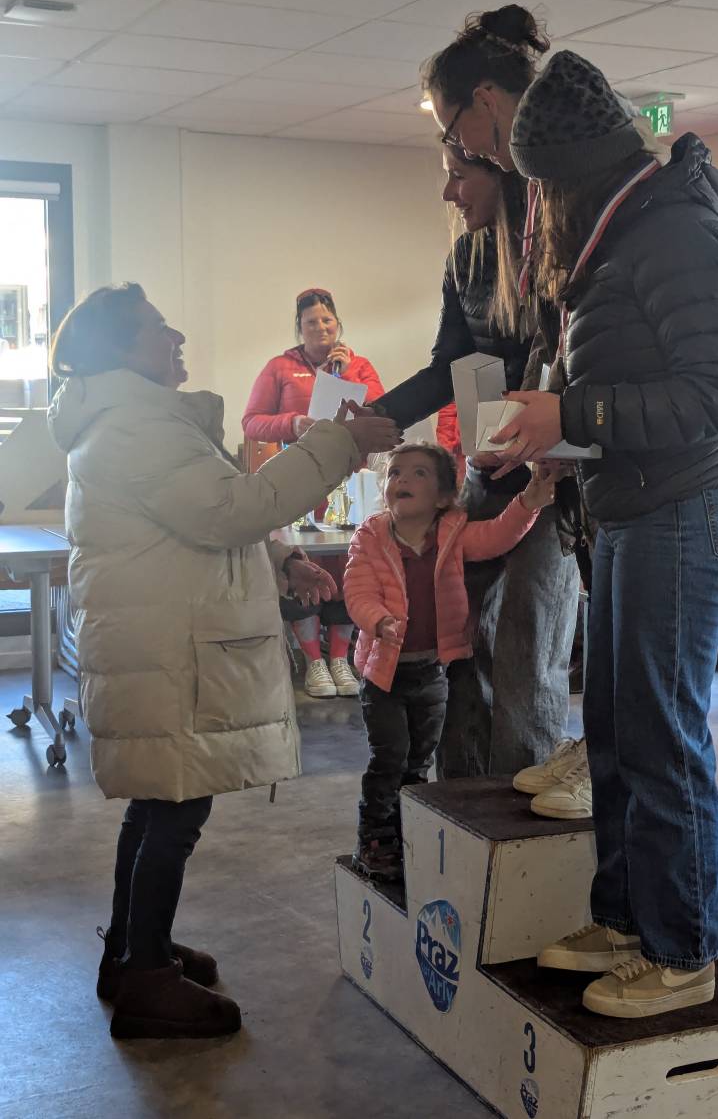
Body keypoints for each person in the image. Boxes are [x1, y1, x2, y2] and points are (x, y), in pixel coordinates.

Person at [48, 283, 399, 1040]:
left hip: (163, 643)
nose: (175, 336)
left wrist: (281, 563)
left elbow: (212, 509)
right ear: (119, 351)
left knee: (157, 805)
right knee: (174, 810)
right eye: (156, 329)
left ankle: (132, 950)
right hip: (169, 650)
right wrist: (339, 444)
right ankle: (146, 979)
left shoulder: (132, 420)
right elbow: (230, 511)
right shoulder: (138, 426)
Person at [482, 49, 718, 1018]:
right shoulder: (628, 226)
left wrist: (574, 416)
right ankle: (625, 918)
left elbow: (704, 403)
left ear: (578, 172)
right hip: (639, 506)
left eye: (543, 188)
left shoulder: (674, 226)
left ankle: (679, 952)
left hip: (686, 511)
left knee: (661, 738)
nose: (537, 210)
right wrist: (565, 441)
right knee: (610, 732)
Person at [374, 143, 580, 780]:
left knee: (526, 648)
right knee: (458, 640)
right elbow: (449, 367)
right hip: (483, 475)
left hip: (551, 484)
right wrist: (377, 417)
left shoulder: (564, 251)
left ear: (506, 175)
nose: (449, 195)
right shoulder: (467, 257)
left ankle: (521, 804)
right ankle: (461, 798)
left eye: (460, 178)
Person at [343, 443, 557, 880]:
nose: (401, 480)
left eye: (419, 473)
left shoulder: (453, 533)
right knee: (390, 756)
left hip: (431, 672)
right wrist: (377, 620)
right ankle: (374, 839)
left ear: (443, 496)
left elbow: (497, 536)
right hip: (383, 675)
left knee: (418, 759)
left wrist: (529, 502)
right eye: (395, 473)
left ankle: (407, 833)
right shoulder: (370, 537)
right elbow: (357, 590)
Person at [243, 288, 386, 699]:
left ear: (338, 324)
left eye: (327, 320)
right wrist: (294, 423)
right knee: (302, 563)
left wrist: (347, 376)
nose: (321, 327)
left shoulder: (358, 365)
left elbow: (381, 411)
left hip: (350, 484)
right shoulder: (280, 368)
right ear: (299, 328)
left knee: (349, 567)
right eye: (311, 322)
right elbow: (252, 422)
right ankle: (313, 660)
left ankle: (341, 657)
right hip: (299, 482)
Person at [424, 3, 549, 173]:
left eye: (456, 137)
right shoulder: (543, 173)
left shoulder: (567, 170)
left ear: (484, 102)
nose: (467, 153)